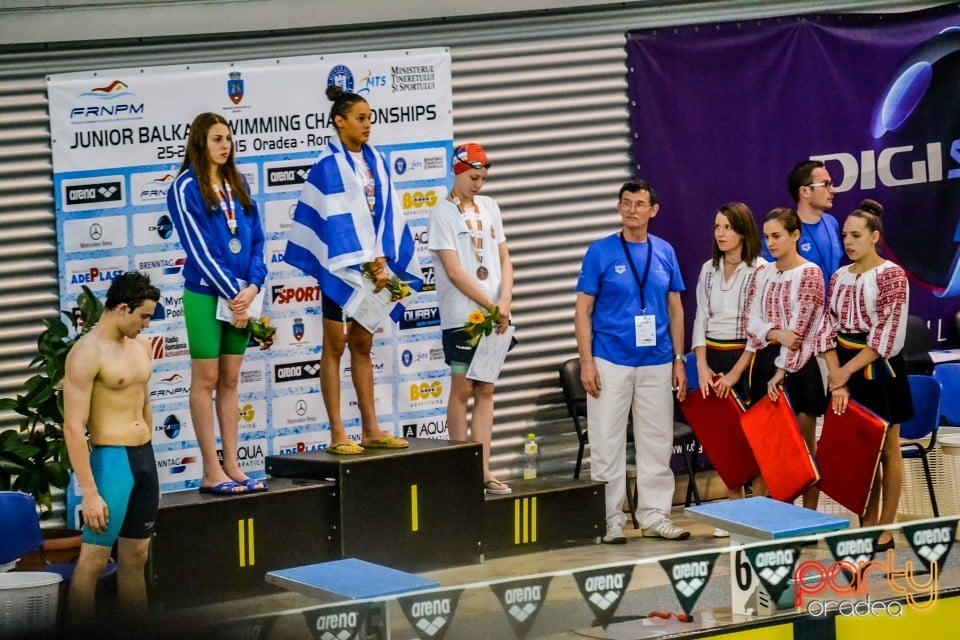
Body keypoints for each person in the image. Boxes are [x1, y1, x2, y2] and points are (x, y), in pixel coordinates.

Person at [284, 85, 422, 454]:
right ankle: (337, 433)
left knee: (363, 343)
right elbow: (334, 223)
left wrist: (383, 259)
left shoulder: (377, 161)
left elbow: (389, 215)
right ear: (339, 121)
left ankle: (372, 428)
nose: (368, 125)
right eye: (360, 118)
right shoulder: (327, 166)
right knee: (336, 343)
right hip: (341, 268)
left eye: (370, 119)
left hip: (375, 266)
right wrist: (364, 260)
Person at [574, 180, 690, 543]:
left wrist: (678, 359)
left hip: (656, 360)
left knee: (656, 440)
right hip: (610, 360)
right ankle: (609, 519)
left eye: (640, 204)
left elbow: (675, 309)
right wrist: (587, 362)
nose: (632, 210)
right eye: (626, 203)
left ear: (653, 210)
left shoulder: (665, 251)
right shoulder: (600, 251)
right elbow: (582, 310)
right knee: (607, 442)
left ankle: (655, 515)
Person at [167, 112, 267, 495]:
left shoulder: (237, 182)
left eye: (228, 138)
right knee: (205, 379)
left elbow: (258, 239)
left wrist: (254, 286)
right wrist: (233, 292)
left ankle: (234, 466)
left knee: (230, 380)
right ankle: (211, 470)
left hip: (242, 296)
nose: (225, 145)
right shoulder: (184, 188)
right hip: (208, 295)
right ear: (199, 142)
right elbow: (199, 248)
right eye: (217, 139)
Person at [62, 271, 161, 625]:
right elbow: (73, 427)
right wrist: (89, 492)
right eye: (143, 317)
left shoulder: (141, 346)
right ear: (122, 308)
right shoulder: (86, 353)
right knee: (94, 560)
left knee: (136, 558)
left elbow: (144, 402)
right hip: (112, 462)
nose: (146, 325)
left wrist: (150, 453)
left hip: (144, 459)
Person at [821, 200, 912, 551]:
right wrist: (836, 376)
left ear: (874, 237)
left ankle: (886, 527)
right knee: (861, 451)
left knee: (888, 448)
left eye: (856, 235)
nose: (848, 241)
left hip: (878, 368)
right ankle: (866, 523)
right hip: (845, 366)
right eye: (845, 235)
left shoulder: (892, 275)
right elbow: (826, 329)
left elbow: (885, 337)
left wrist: (843, 372)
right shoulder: (839, 277)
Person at [429, 143, 514, 494]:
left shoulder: (490, 207)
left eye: (483, 178)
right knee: (462, 387)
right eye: (473, 177)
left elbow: (505, 260)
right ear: (457, 171)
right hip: (463, 316)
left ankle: (483, 470)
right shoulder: (441, 212)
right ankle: (459, 470)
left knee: (486, 388)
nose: (478, 184)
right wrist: (491, 306)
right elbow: (455, 272)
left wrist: (504, 301)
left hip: (495, 315)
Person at [691, 202, 767, 536]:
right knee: (724, 437)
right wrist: (702, 366)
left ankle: (760, 508)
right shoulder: (708, 269)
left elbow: (758, 325)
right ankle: (734, 504)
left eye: (728, 227)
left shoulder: (760, 269)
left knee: (752, 436)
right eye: (717, 227)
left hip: (746, 358)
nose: (721, 234)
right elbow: (700, 318)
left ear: (743, 231)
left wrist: (736, 373)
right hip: (714, 357)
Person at [746, 207, 829, 510]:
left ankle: (809, 515)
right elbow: (751, 322)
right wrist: (775, 334)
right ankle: (771, 512)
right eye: (767, 237)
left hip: (801, 366)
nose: (770, 243)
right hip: (766, 360)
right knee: (768, 446)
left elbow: (802, 329)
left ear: (795, 235)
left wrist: (783, 369)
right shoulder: (762, 272)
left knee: (805, 447)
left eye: (777, 236)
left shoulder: (810, 273)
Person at [763, 160, 841, 288]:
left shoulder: (832, 222)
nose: (833, 190)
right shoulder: (782, 230)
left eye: (831, 184)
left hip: (833, 306)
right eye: (826, 184)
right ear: (805, 191)